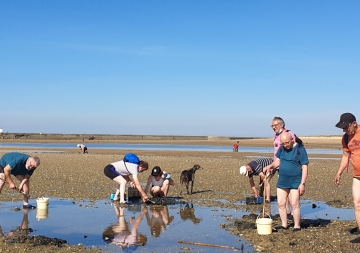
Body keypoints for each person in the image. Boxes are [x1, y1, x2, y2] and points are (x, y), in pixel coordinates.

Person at [263, 131, 309, 231]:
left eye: (287, 143)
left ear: (292, 140)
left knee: (294, 203)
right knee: (281, 203)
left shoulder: (300, 149)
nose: (285, 145)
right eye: (283, 143)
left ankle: (297, 225)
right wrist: (270, 166)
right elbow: (278, 162)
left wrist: (303, 183)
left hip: (296, 181)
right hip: (283, 180)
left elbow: (305, 168)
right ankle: (284, 224)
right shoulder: (282, 149)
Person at [334, 113, 360, 240]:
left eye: (346, 127)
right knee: (357, 203)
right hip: (357, 175)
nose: (344, 130)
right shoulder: (346, 138)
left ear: (354, 123)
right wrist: (339, 172)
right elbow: (345, 156)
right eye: (342, 128)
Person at [271, 116, 297, 214]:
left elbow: (293, 149)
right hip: (279, 167)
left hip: (289, 166)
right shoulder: (276, 136)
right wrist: (273, 166)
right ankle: (287, 212)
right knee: (283, 191)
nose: (274, 127)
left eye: (276, 125)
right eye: (272, 126)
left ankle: (294, 211)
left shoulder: (289, 134)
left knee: (291, 191)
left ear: (282, 124)